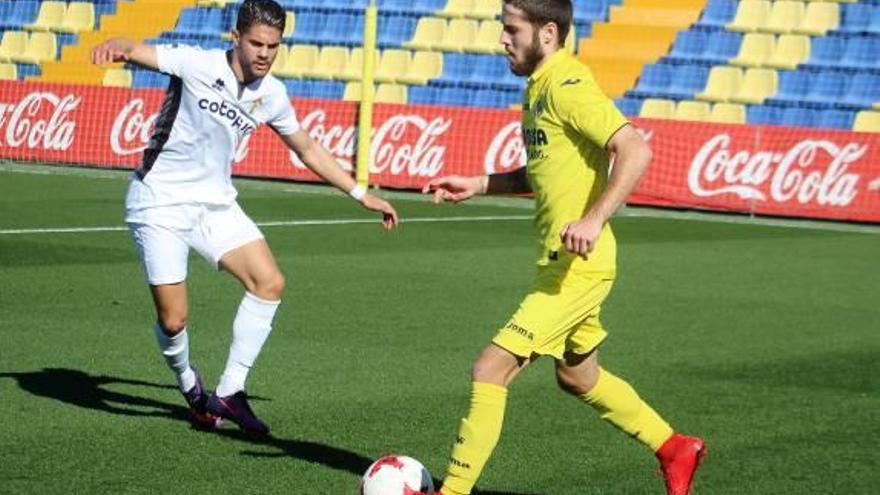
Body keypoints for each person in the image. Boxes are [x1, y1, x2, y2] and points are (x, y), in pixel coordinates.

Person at [422, 1, 705, 493]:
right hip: (563, 264)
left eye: (512, 30)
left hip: (578, 267)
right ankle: (674, 447)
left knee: (490, 368)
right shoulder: (538, 88)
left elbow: (635, 149)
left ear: (547, 32)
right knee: (577, 377)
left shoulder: (567, 84)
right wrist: (477, 183)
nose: (502, 39)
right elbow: (542, 173)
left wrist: (595, 219)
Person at [91, 0, 398, 436]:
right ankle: (192, 389)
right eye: (256, 42)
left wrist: (359, 193)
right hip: (159, 201)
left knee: (269, 282)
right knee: (174, 320)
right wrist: (116, 45)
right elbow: (138, 50)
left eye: (274, 46)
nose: (265, 53)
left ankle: (230, 392)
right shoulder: (195, 63)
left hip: (214, 204)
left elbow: (307, 149)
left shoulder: (272, 94)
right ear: (235, 37)